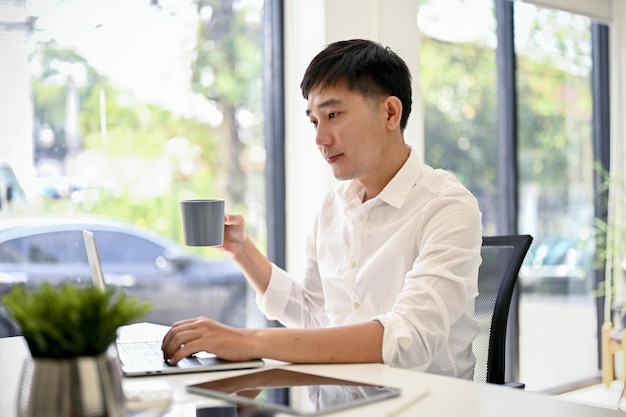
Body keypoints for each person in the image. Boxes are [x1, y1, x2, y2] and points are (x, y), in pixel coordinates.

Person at [162, 39, 483, 379]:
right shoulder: (333, 206)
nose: (320, 138)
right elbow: (314, 315)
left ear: (390, 112)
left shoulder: (447, 206)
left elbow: (410, 338)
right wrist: (242, 251)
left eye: (333, 115)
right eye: (315, 121)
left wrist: (250, 340)